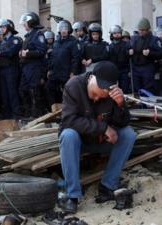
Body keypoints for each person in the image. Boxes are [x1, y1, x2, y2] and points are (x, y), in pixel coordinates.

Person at [58, 61, 136, 214]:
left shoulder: (112, 93)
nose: (104, 92)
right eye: (101, 87)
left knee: (128, 134)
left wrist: (121, 105)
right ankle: (72, 195)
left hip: (100, 141)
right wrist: (103, 127)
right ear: (91, 77)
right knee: (68, 135)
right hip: (77, 143)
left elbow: (123, 122)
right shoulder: (74, 86)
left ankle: (107, 185)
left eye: (107, 88)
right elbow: (69, 120)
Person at [19, 12, 48, 118]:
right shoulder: (28, 35)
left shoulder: (38, 34)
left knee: (34, 91)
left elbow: (41, 51)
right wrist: (22, 53)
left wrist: (27, 53)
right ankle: (28, 113)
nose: (23, 24)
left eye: (25, 22)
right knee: (23, 89)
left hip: (34, 67)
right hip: (26, 67)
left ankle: (36, 115)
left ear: (31, 22)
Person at [46, 20, 80, 107]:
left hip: (66, 72)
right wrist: (50, 69)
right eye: (62, 28)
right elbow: (52, 57)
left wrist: (73, 72)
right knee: (49, 88)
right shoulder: (56, 42)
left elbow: (75, 58)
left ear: (69, 30)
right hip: (55, 72)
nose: (63, 30)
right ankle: (54, 110)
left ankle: (66, 111)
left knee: (66, 93)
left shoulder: (73, 42)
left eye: (65, 28)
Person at [0, 18, 22, 120]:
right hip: (2, 69)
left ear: (9, 27)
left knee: (12, 92)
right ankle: (7, 115)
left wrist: (1, 53)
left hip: (11, 69)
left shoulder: (14, 39)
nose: (1, 29)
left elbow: (11, 52)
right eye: (1, 27)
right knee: (4, 93)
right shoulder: (3, 41)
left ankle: (15, 114)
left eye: (4, 27)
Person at [129, 18, 162, 94]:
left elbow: (161, 53)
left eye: (143, 30)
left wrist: (150, 53)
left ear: (148, 30)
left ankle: (148, 105)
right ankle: (139, 104)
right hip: (135, 68)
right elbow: (127, 48)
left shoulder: (154, 39)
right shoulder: (134, 39)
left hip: (147, 67)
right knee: (137, 88)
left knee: (148, 88)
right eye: (139, 30)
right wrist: (129, 51)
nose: (140, 31)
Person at [108, 25, 131, 94]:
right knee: (113, 88)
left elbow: (129, 57)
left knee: (124, 88)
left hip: (124, 70)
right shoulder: (110, 46)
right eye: (115, 33)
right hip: (114, 70)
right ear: (112, 35)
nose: (117, 35)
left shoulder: (126, 44)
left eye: (118, 33)